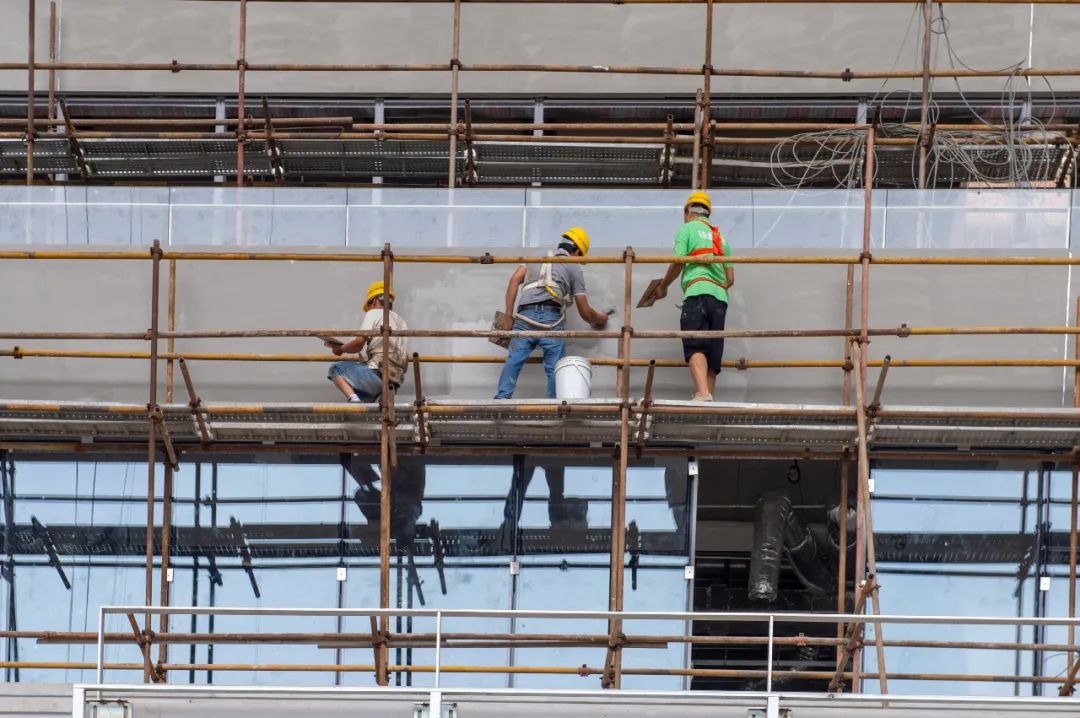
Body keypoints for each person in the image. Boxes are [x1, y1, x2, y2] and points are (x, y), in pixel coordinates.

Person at [494, 227, 610, 399]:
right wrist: (600, 319)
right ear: (577, 250)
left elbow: (513, 280)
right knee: (554, 366)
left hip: (524, 315)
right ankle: (552, 406)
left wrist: (508, 316)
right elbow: (585, 312)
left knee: (515, 359)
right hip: (551, 318)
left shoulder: (535, 255)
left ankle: (501, 399)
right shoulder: (574, 267)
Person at [647, 191, 734, 402]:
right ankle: (708, 397)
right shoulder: (722, 238)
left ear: (688, 212)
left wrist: (664, 286)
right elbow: (730, 279)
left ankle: (703, 393)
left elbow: (678, 261)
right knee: (713, 350)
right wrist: (714, 286)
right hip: (720, 299)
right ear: (708, 213)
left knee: (695, 344)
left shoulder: (687, 229)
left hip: (696, 295)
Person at [327, 280, 408, 403]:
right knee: (363, 398)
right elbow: (405, 364)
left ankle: (354, 401)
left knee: (335, 369)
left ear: (374, 300)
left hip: (377, 374)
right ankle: (369, 399)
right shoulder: (401, 322)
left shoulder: (374, 313)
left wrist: (341, 349)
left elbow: (359, 343)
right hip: (394, 382)